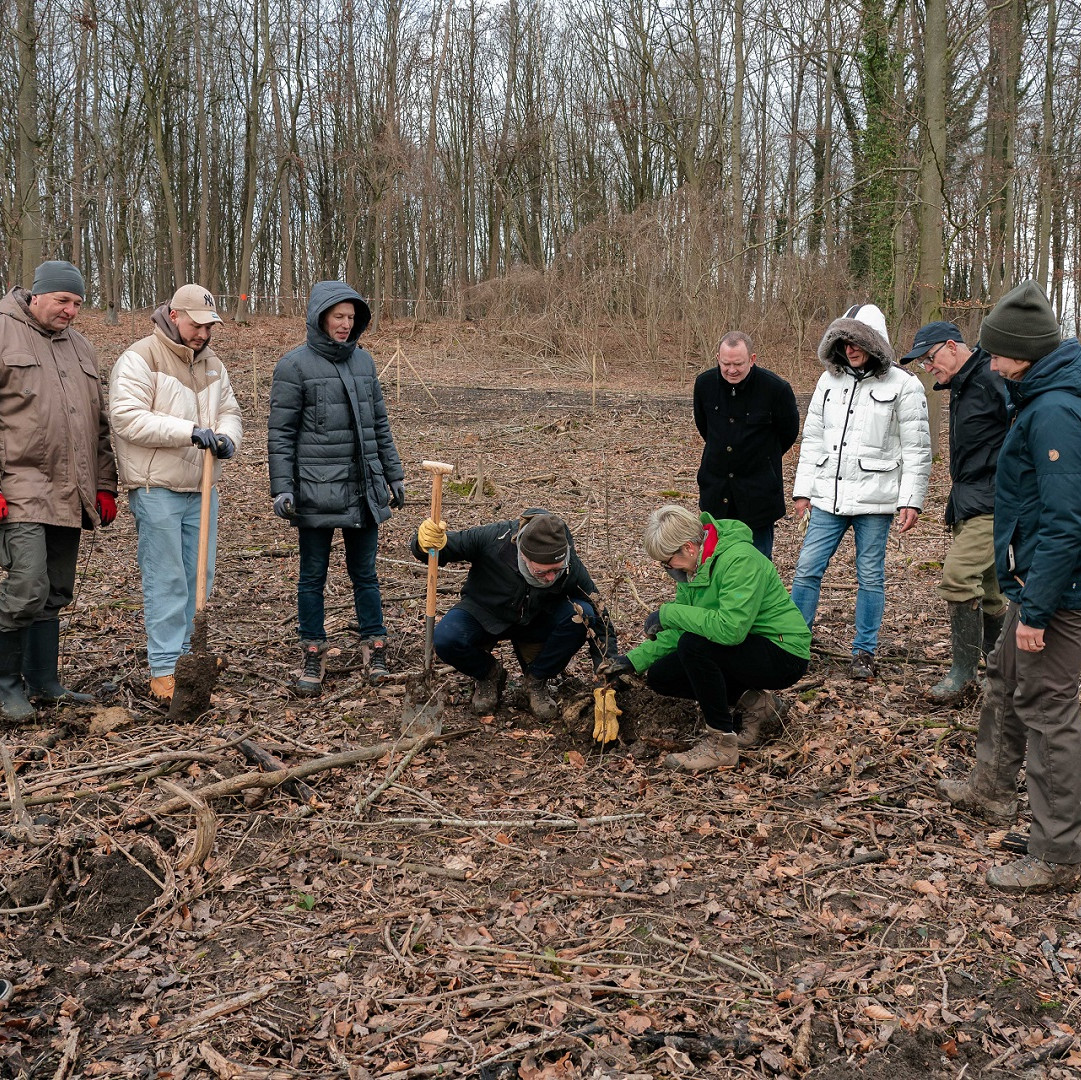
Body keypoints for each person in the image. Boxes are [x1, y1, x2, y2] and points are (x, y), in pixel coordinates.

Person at [938, 280, 1081, 893]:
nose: (989, 364)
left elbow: (1066, 521)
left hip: (1059, 595)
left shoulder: (1054, 411)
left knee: (1050, 711)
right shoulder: (1039, 393)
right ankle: (991, 788)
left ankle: (1056, 852)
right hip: (1033, 582)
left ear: (1023, 352)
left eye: (996, 354)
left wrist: (1037, 609)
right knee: (1003, 679)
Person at [269, 281, 404, 696]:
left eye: (351, 318)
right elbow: (280, 434)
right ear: (320, 317)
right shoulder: (293, 366)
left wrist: (393, 475)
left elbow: (380, 425)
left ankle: (374, 645)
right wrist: (282, 488)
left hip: (363, 488)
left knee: (366, 573)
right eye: (338, 317)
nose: (345, 325)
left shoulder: (364, 363)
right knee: (312, 576)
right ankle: (313, 652)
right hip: (314, 491)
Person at [109, 284, 243, 702]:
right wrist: (189, 433)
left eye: (209, 326)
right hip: (158, 487)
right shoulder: (140, 357)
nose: (203, 333)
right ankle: (165, 667)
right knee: (167, 578)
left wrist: (226, 440)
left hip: (202, 486)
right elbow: (127, 418)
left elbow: (230, 412)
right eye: (196, 324)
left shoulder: (213, 365)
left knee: (198, 576)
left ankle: (189, 657)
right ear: (174, 314)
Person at [601, 505, 810, 772]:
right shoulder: (693, 569)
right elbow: (681, 629)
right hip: (744, 649)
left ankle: (721, 746)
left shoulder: (740, 560)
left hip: (783, 653)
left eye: (667, 561)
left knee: (695, 646)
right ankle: (756, 703)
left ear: (688, 547)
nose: (667, 568)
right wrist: (631, 660)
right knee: (663, 675)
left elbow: (730, 629)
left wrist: (670, 613)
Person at [0, 260, 118, 720]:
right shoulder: (4, 332)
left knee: (55, 591)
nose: (70, 310)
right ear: (36, 295)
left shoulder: (81, 347)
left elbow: (99, 425)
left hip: (72, 490)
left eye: (77, 303)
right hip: (20, 486)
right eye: (62, 300)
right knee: (26, 586)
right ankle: (6, 685)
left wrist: (105, 485)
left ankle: (44, 682)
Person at [790, 303, 931, 679]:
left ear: (875, 342)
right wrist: (803, 490)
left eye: (858, 341)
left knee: (870, 574)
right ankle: (793, 644)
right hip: (827, 496)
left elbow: (917, 449)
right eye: (843, 340)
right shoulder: (828, 381)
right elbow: (814, 438)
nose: (850, 348)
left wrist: (910, 500)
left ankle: (863, 652)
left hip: (876, 498)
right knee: (806, 569)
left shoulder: (905, 385)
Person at [411, 510, 619, 719]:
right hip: (485, 613)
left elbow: (600, 614)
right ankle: (489, 674)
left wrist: (607, 669)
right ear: (523, 555)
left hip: (535, 619)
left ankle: (535, 680)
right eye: (541, 572)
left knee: (583, 615)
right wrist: (422, 543)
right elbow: (442, 548)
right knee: (447, 638)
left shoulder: (569, 564)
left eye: (556, 570)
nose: (549, 578)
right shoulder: (494, 538)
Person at [900, 322, 1008, 701]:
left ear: (951, 346)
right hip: (969, 501)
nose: (929, 369)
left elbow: (1019, 431)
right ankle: (1001, 671)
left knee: (959, 577)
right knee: (992, 591)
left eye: (930, 359)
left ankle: (964, 674)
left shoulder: (993, 376)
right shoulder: (964, 384)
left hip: (993, 501)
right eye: (923, 364)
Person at [693, 331, 799, 558]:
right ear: (717, 358)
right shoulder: (704, 384)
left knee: (756, 564)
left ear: (752, 359)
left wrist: (761, 458)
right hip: (716, 493)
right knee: (714, 562)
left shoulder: (776, 389)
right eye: (726, 363)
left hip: (758, 497)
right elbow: (705, 428)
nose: (732, 370)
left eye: (738, 364)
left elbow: (788, 433)